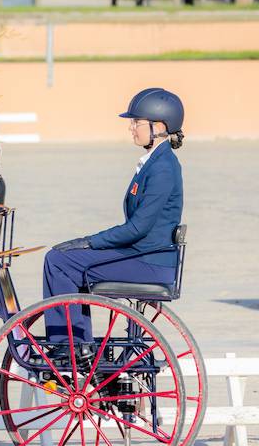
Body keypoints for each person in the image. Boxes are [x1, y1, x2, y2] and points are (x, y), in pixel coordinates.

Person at [42, 88, 185, 342]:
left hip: (150, 263)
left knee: (59, 261)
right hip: (143, 255)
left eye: (136, 123)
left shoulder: (162, 167)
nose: (131, 128)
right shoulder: (154, 162)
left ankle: (69, 345)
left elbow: (137, 228)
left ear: (159, 126)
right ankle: (78, 342)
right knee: (68, 259)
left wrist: (90, 242)